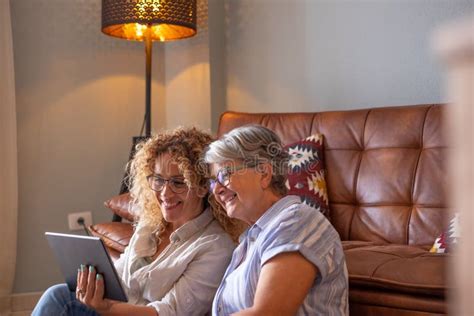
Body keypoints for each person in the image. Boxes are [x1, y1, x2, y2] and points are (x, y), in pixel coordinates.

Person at [33, 127, 242, 316]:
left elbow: (170, 312)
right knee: (59, 295)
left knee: (59, 300)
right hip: (117, 308)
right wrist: (93, 287)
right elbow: (121, 275)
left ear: (203, 186)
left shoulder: (215, 246)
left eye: (178, 182)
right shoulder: (151, 225)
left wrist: (107, 308)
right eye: (158, 179)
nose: (165, 193)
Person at [205, 124, 349, 315]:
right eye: (214, 181)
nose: (217, 189)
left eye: (225, 174)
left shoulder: (296, 222)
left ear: (264, 173)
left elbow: (268, 313)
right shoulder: (248, 241)